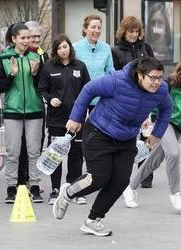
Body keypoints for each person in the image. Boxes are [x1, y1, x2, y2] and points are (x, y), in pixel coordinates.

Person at [52, 57, 172, 237]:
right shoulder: (118, 81)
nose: (156, 82)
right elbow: (89, 89)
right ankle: (68, 193)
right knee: (98, 178)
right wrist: (76, 117)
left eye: (160, 77)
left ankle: (93, 220)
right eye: (152, 77)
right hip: (99, 133)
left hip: (127, 138)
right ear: (140, 75)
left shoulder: (161, 90)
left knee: (121, 180)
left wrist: (156, 135)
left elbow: (167, 109)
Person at [123, 54, 181, 210]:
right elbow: (155, 96)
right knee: (173, 153)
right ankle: (175, 194)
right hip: (165, 122)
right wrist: (148, 116)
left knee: (155, 160)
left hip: (179, 128)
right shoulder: (174, 83)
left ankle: (130, 187)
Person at [38, 34, 90, 205]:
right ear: (55, 50)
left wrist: (84, 112)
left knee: (76, 154)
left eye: (65, 46)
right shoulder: (49, 67)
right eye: (59, 47)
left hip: (76, 119)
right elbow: (42, 89)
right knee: (55, 155)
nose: (63, 50)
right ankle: (54, 190)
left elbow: (88, 90)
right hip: (56, 120)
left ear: (70, 47)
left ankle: (74, 190)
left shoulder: (80, 66)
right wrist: (50, 99)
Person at [0, 23, 44, 203]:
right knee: (13, 151)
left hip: (35, 110)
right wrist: (12, 75)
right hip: (12, 112)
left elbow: (43, 85)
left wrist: (35, 73)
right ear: (13, 39)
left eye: (28, 37)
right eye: (22, 38)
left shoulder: (37, 56)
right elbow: (0, 86)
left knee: (34, 151)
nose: (26, 41)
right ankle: (11, 188)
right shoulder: (4, 58)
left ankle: (35, 187)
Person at [112, 15, 155, 188]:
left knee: (146, 135)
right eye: (131, 31)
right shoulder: (115, 51)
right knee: (127, 136)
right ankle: (122, 174)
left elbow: (155, 67)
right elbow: (114, 75)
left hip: (145, 97)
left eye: (137, 31)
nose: (134, 34)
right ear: (124, 32)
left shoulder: (146, 48)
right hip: (126, 98)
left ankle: (145, 174)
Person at [16, 21, 49, 187]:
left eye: (38, 36)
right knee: (22, 146)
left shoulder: (43, 54)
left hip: (38, 106)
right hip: (22, 107)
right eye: (32, 36)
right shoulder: (19, 55)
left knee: (37, 145)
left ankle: (34, 179)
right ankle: (23, 180)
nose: (36, 39)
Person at [73, 14, 114, 110]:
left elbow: (110, 72)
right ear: (85, 29)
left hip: (101, 99)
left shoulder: (106, 48)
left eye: (99, 28)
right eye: (93, 27)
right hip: (80, 98)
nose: (97, 31)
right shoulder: (74, 48)